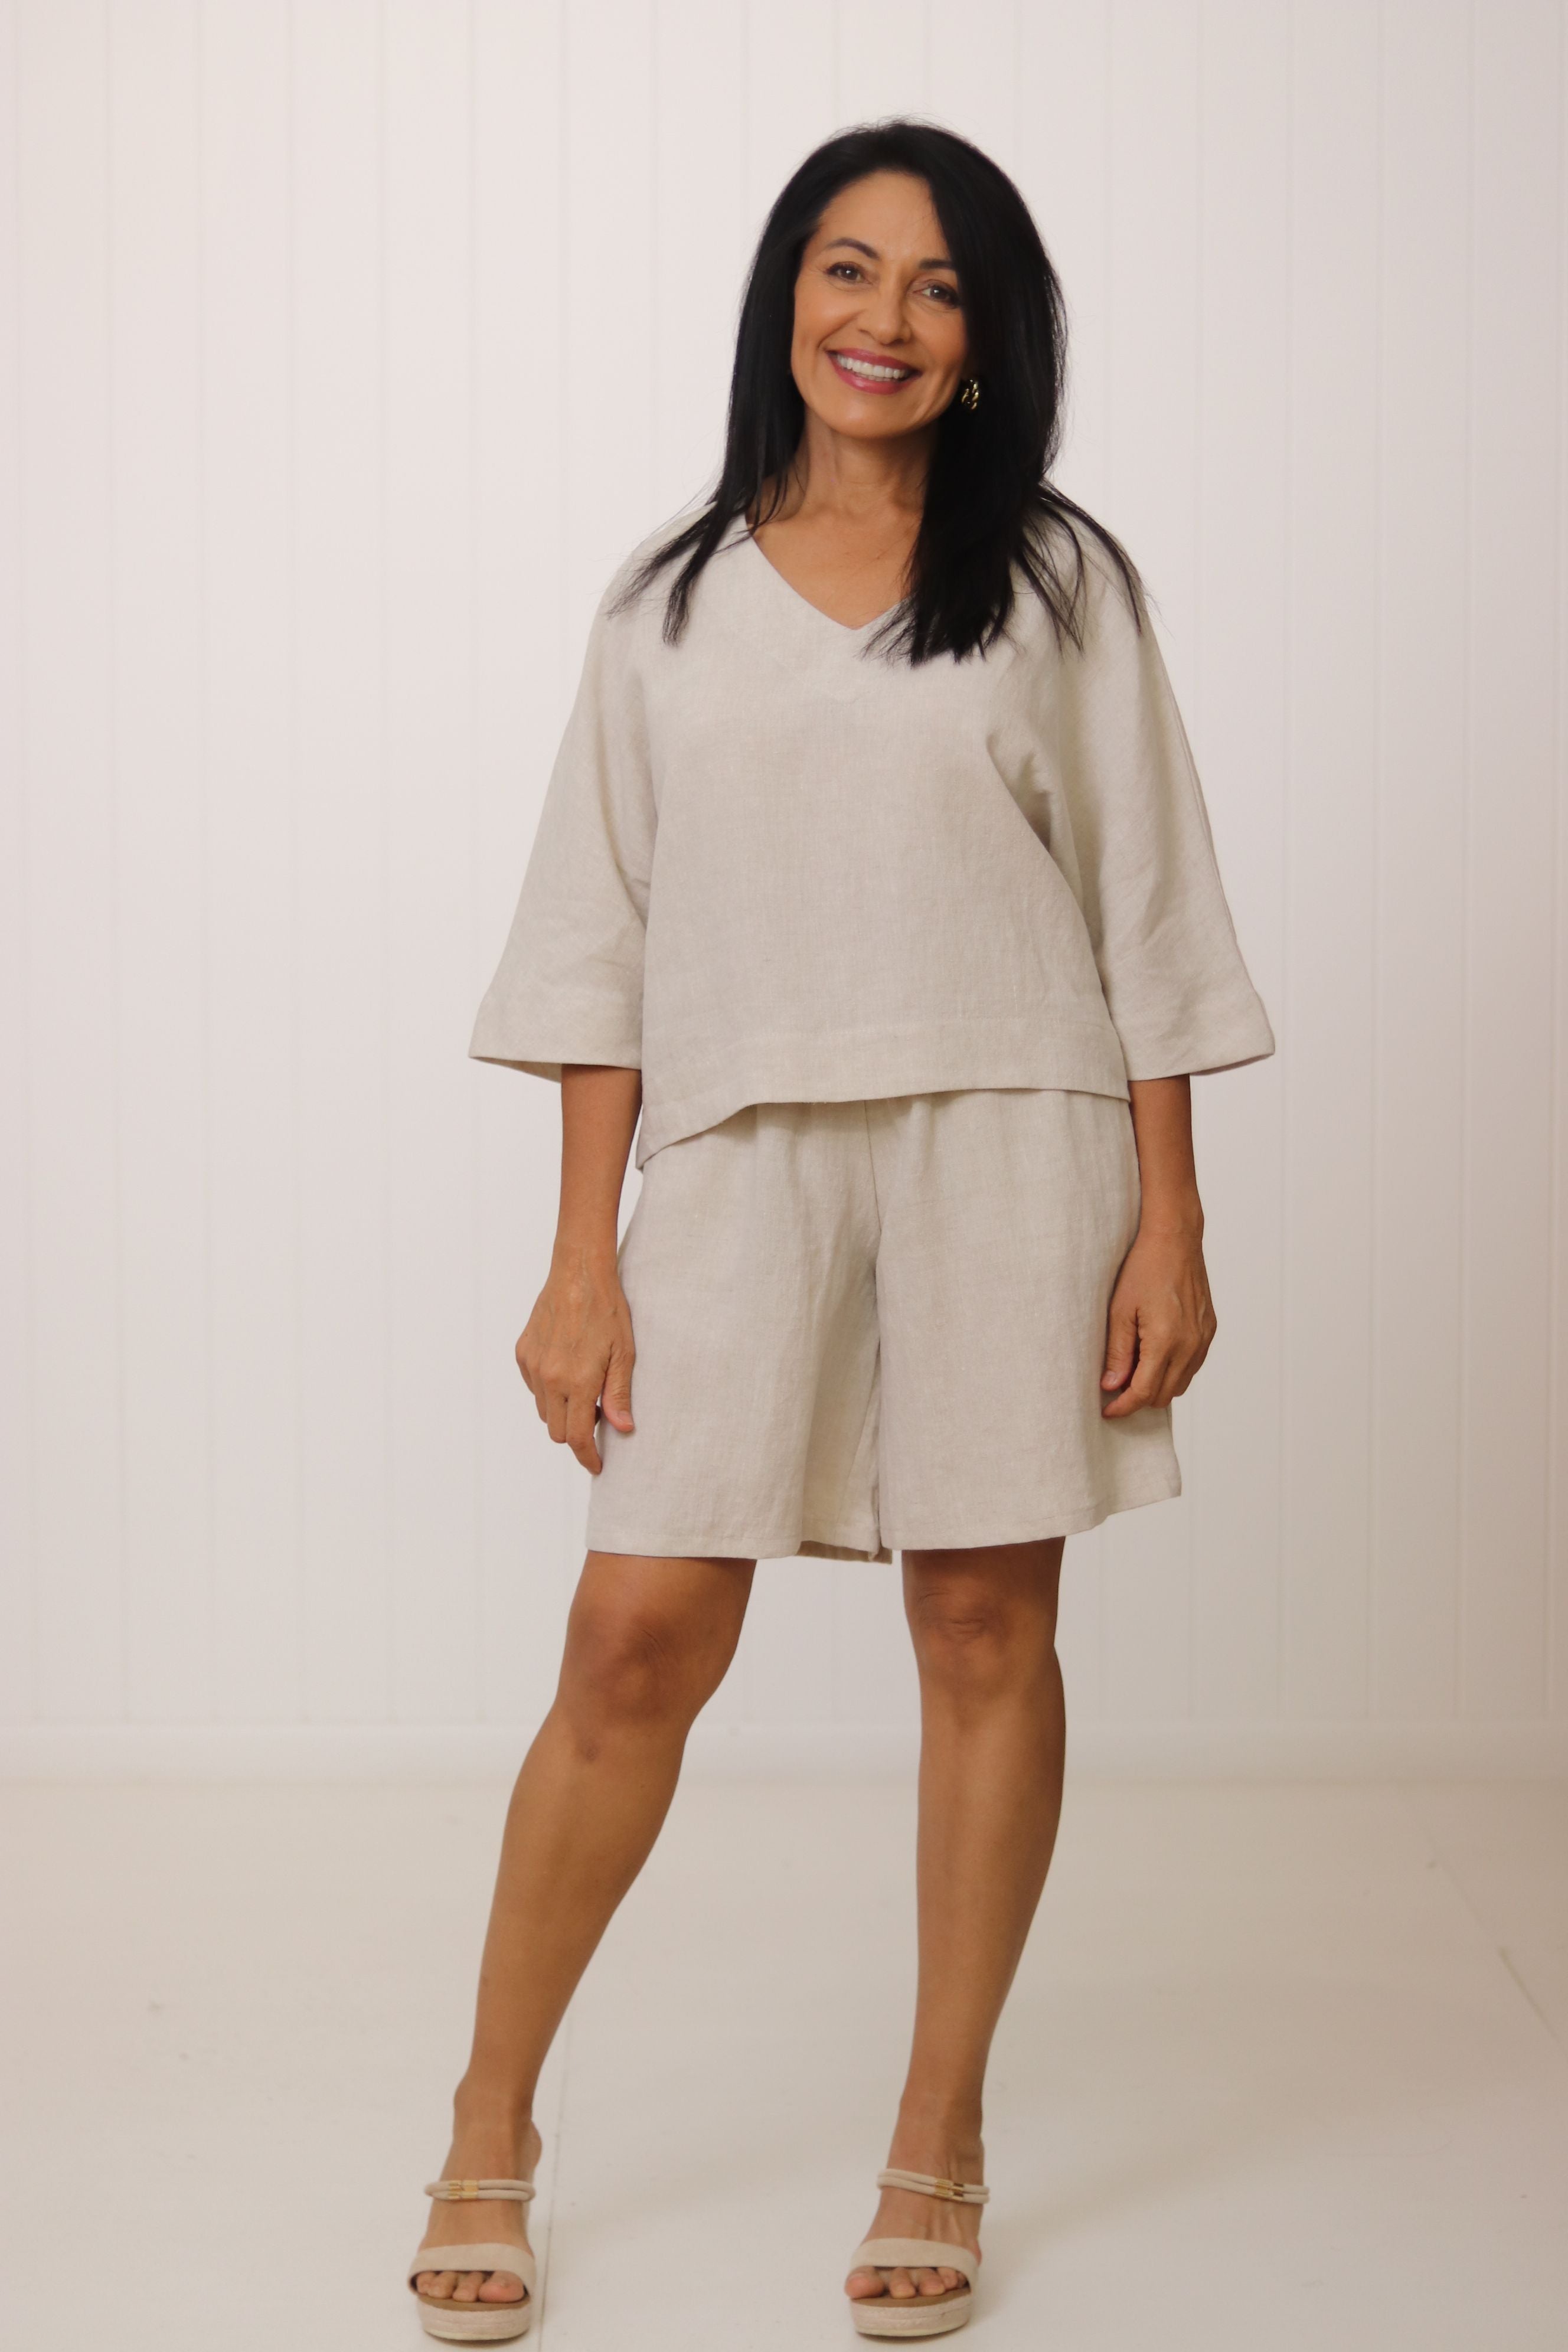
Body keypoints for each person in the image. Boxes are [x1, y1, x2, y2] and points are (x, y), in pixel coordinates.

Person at [406, 119, 1274, 2343]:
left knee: (983, 1629)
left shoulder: (1057, 586)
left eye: (941, 285)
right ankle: (490, 2125)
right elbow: (595, 946)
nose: (886, 318)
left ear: (989, 344)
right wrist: (581, 1258)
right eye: (849, 268)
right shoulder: (666, 602)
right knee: (632, 1642)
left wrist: (1172, 1221)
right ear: (786, 297)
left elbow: (1151, 910)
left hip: (1016, 1134)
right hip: (739, 1150)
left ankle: (938, 2135)